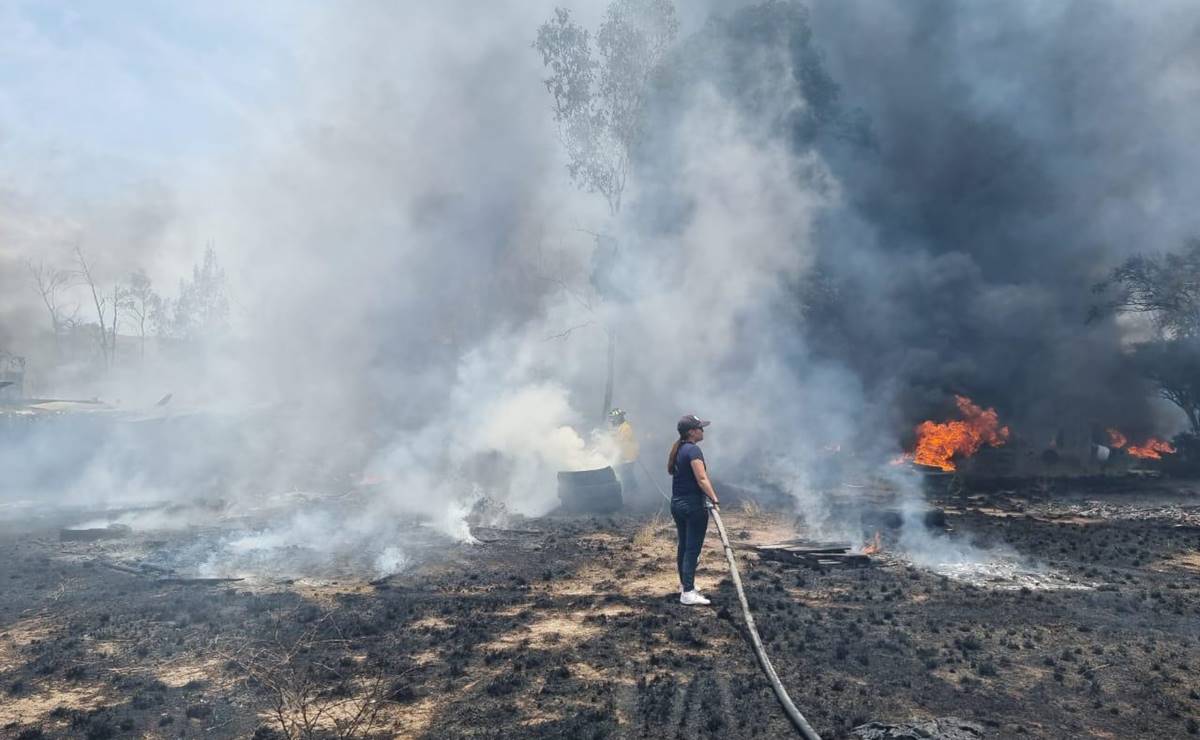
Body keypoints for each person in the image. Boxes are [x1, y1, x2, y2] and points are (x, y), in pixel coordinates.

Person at [668, 414, 719, 605]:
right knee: (692, 549)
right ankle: (688, 593)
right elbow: (702, 479)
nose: (703, 431)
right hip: (693, 506)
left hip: (677, 504)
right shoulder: (693, 450)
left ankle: (685, 585)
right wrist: (714, 498)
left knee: (683, 546)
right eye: (700, 428)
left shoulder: (680, 449)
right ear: (691, 432)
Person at [609, 408, 639, 495]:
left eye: (613, 418)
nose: (612, 421)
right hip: (625, 458)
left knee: (627, 477)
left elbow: (622, 443)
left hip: (628, 458)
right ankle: (634, 493)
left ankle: (632, 494)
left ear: (618, 418)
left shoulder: (626, 428)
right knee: (628, 476)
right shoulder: (622, 427)